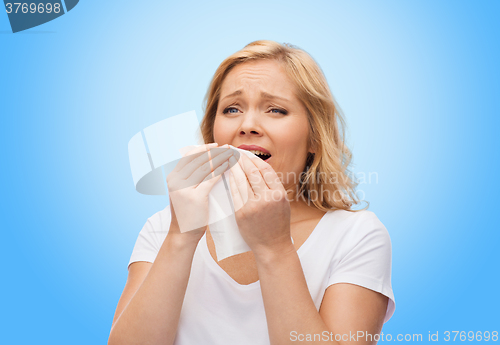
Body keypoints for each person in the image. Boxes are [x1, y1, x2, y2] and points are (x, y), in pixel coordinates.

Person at [108, 40, 395, 345]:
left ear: (314, 137)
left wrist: (275, 248)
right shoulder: (163, 228)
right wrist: (180, 237)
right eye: (231, 109)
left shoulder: (357, 236)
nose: (247, 125)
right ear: (212, 134)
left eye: (276, 110)